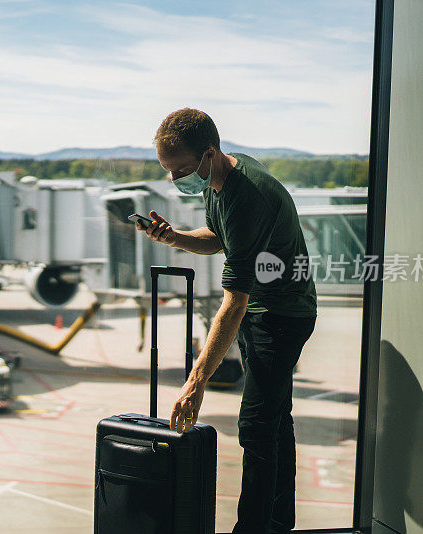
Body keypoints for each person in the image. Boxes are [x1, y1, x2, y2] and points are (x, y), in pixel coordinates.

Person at [136, 108, 317, 534]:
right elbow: (222, 239)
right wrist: (175, 237)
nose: (175, 179)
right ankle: (276, 523)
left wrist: (195, 382)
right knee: (275, 420)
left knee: (256, 428)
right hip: (262, 312)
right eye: (167, 170)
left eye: (180, 169)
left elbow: (233, 305)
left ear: (209, 154)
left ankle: (253, 529)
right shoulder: (218, 179)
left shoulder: (248, 194)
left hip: (282, 315)